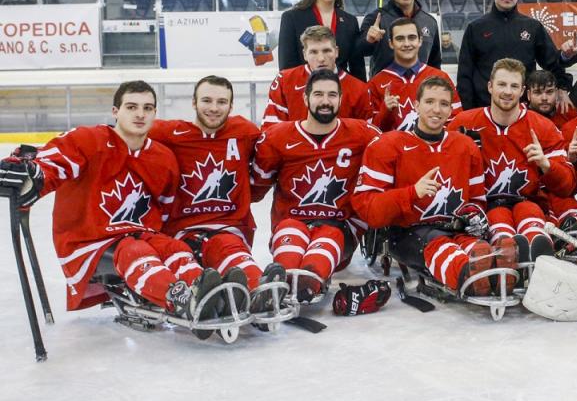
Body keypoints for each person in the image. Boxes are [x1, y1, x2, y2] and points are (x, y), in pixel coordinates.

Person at [0, 81, 223, 323]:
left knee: (175, 248)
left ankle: (209, 293)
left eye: (148, 108)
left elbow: (165, 209)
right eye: (131, 107)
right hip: (90, 240)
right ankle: (180, 300)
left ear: (155, 114)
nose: (140, 114)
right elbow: (55, 162)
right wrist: (36, 175)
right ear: (115, 111)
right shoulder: (88, 140)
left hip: (138, 234)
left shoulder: (163, 158)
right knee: (135, 251)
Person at [353, 76, 504, 296]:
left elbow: (476, 200)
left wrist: (473, 214)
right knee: (444, 250)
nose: (437, 109)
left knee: (483, 252)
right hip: (409, 233)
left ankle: (496, 272)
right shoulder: (387, 145)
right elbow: (369, 211)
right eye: (430, 102)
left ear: (451, 109)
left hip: (455, 229)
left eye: (444, 104)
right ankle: (468, 276)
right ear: (416, 105)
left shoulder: (466, 146)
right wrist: (412, 193)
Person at [149, 76, 284, 311]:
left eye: (222, 102)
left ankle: (260, 292)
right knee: (186, 260)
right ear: (193, 103)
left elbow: (276, 147)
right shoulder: (170, 133)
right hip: (183, 231)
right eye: (207, 100)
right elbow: (126, 132)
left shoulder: (244, 132)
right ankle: (202, 296)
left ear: (231, 106)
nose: (213, 108)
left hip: (228, 226)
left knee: (232, 252)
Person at [250, 69, 378, 300]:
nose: (325, 101)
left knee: (327, 239)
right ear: (305, 98)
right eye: (318, 94)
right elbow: (255, 188)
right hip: (291, 221)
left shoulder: (362, 133)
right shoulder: (278, 136)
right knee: (291, 234)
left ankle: (305, 284)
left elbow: (393, 157)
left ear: (341, 99)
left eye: (332, 95)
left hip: (340, 225)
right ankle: (279, 287)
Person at [453, 59, 575, 262]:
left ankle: (536, 247)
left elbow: (567, 186)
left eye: (514, 86)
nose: (508, 92)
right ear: (490, 86)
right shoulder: (464, 123)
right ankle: (505, 248)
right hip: (484, 209)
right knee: (499, 220)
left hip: (530, 202)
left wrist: (546, 165)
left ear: (523, 91)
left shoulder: (543, 127)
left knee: (529, 213)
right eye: (502, 84)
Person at [457, 0, 571, 110]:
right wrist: (469, 111)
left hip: (524, 110)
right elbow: (464, 75)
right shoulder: (475, 28)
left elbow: (552, 63)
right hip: (485, 109)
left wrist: (562, 87)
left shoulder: (533, 27)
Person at [262, 25, 373, 126]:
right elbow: (271, 130)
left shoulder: (359, 89)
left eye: (326, 51)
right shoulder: (284, 81)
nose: (321, 58)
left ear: (336, 52)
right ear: (305, 54)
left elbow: (366, 135)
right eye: (313, 52)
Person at [277, 0, 365, 80]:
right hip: (304, 91)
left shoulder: (350, 21)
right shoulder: (292, 18)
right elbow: (286, 68)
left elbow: (357, 68)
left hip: (341, 93)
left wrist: (362, 95)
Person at [367, 18, 459, 132]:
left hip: (432, 148)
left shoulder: (441, 78)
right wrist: (385, 112)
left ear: (420, 41)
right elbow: (370, 132)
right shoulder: (376, 83)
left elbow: (456, 121)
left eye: (412, 37)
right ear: (391, 43)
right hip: (395, 148)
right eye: (400, 39)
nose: (406, 44)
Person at [356, 0, 442, 77]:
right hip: (385, 92)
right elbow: (358, 51)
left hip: (420, 92)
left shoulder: (430, 22)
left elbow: (434, 64)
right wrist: (368, 40)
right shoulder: (376, 18)